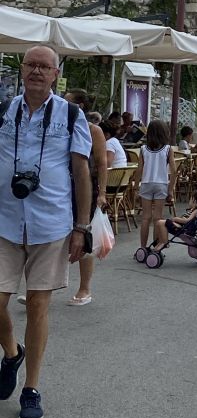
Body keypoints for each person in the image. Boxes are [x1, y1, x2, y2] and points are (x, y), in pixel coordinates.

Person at [0, 46, 92, 418]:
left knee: (38, 305)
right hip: (4, 221)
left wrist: (81, 226)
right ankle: (11, 352)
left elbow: (82, 172)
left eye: (44, 66)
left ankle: (31, 388)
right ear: (21, 70)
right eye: (31, 65)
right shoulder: (3, 111)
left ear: (56, 74)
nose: (36, 71)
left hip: (51, 223)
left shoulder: (72, 115)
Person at [64, 89, 108, 307]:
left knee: (84, 235)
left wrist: (102, 193)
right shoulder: (60, 126)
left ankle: (84, 288)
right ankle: (42, 287)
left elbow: (101, 163)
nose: (62, 103)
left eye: (67, 101)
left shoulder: (93, 130)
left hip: (86, 188)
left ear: (79, 106)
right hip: (62, 187)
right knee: (56, 234)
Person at [132, 120, 176, 251]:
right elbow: (173, 172)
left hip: (146, 183)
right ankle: (156, 246)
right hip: (161, 184)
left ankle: (142, 248)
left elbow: (139, 170)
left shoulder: (143, 149)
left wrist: (135, 187)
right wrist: (171, 190)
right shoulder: (168, 149)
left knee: (145, 218)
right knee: (158, 217)